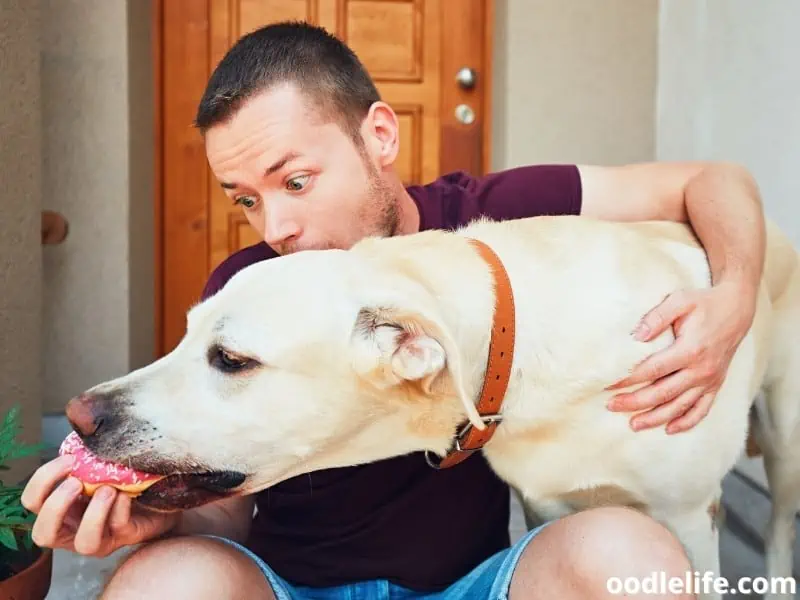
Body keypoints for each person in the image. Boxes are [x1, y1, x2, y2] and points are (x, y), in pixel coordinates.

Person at [23, 21, 766, 600]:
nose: (275, 227)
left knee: (635, 560)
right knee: (160, 583)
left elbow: (710, 179)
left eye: (297, 180)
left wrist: (732, 299)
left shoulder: (490, 225)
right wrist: (166, 509)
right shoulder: (249, 289)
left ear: (378, 136)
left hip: (470, 584)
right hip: (290, 584)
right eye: (246, 199)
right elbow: (229, 504)